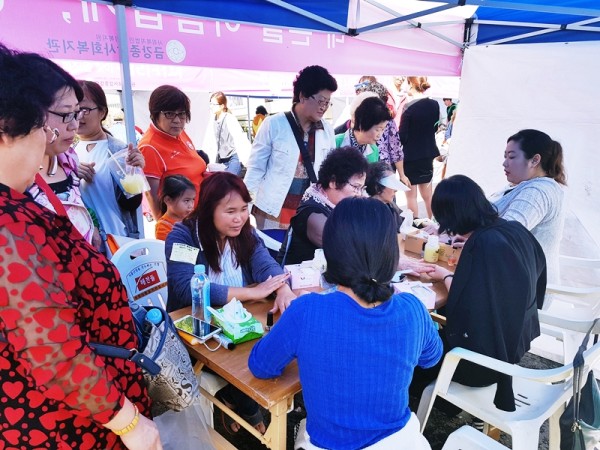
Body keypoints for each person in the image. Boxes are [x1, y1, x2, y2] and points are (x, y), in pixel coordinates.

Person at [0, 44, 161, 450]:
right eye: (43, 127)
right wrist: (129, 424)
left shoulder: (19, 203)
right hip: (67, 420)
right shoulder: (8, 223)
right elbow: (53, 351)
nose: (49, 138)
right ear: (7, 129)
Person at [250, 197, 442, 449]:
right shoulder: (412, 309)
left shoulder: (307, 311)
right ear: (391, 254)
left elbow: (261, 366)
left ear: (331, 252)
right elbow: (431, 357)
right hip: (400, 441)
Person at [411, 175, 546, 413]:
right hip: (513, 345)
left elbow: (467, 303)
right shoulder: (512, 229)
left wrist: (445, 276)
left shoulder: (485, 245)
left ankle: (441, 401)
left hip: (479, 363)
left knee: (413, 348)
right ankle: (445, 401)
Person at [165, 171, 296, 314]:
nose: (239, 219)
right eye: (231, 211)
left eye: (244, 209)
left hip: (241, 315)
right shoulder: (183, 237)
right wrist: (252, 292)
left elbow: (265, 265)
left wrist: (283, 289)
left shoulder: (246, 233)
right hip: (196, 319)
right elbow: (186, 288)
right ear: (208, 211)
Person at [244, 65, 338, 230]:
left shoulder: (327, 131)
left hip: (309, 212)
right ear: (302, 96)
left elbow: (329, 173)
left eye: (327, 103)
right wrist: (245, 206)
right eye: (321, 101)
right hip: (272, 210)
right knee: (270, 246)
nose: (324, 107)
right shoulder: (274, 124)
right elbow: (255, 169)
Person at [27, 71, 100, 247]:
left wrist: (91, 226)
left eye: (76, 113)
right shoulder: (16, 176)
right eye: (66, 114)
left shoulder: (68, 158)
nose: (74, 125)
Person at [488, 129, 566, 283]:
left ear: (535, 160)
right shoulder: (525, 186)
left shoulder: (538, 191)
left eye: (511, 157)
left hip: (528, 286)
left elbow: (506, 234)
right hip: (518, 273)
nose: (505, 163)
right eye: (505, 157)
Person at [75, 80, 145, 244]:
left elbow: (132, 203)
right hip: (85, 242)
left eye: (85, 109)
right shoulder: (67, 154)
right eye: (74, 109)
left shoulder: (118, 150)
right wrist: (72, 175)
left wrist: (134, 173)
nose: (79, 116)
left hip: (118, 240)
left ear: (102, 112)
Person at [278, 146, 369, 265]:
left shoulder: (333, 202)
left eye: (362, 188)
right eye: (356, 187)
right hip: (299, 275)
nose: (359, 194)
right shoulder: (314, 215)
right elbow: (346, 250)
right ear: (333, 182)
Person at [138, 85, 207, 220]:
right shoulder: (149, 147)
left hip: (201, 215)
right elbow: (151, 196)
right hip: (182, 223)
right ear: (155, 114)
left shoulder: (180, 133)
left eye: (181, 114)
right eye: (169, 114)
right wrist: (163, 226)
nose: (177, 120)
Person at [399, 76, 440, 218]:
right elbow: (435, 128)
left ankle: (415, 227)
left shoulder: (408, 107)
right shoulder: (435, 104)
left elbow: (402, 136)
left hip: (410, 156)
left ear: (411, 84)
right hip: (428, 154)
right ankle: (435, 223)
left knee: (411, 196)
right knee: (428, 196)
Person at [203, 91, 251, 175]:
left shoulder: (229, 118)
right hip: (221, 159)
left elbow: (240, 138)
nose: (211, 106)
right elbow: (208, 141)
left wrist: (247, 159)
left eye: (214, 104)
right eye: (210, 104)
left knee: (230, 180)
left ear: (222, 106)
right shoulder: (212, 120)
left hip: (233, 157)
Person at [335, 93, 391, 163]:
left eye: (383, 129)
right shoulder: (335, 143)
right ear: (362, 124)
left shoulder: (374, 150)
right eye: (377, 130)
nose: (379, 135)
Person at [365, 161, 406, 233]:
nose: (396, 190)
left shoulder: (391, 205)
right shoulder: (369, 214)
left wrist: (421, 223)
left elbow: (404, 221)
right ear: (377, 188)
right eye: (390, 184)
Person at [155, 174, 196, 241]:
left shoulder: (190, 220)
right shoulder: (163, 227)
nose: (191, 205)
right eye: (186, 201)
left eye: (193, 200)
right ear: (168, 200)